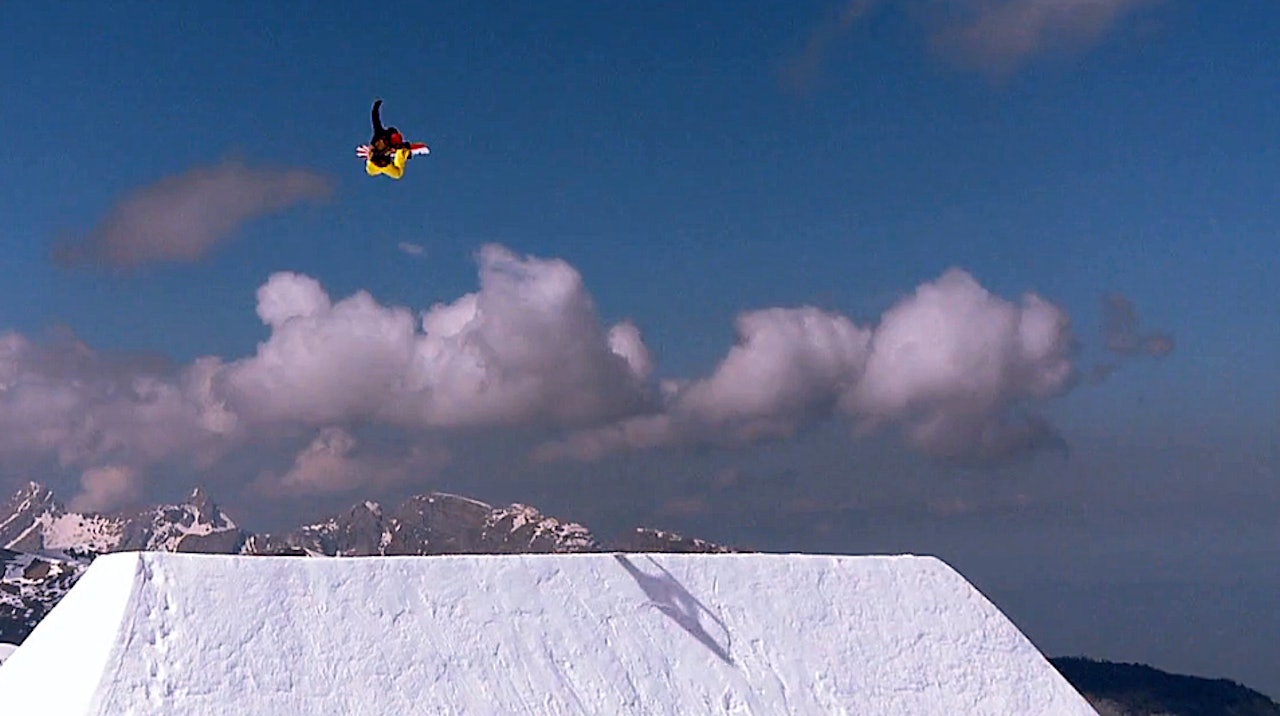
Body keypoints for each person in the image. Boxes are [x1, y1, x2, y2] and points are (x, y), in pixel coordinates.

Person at [365, 99, 414, 179]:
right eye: (394, 144)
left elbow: (403, 148)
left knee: (398, 174)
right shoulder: (379, 133)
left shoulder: (396, 145)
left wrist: (407, 151)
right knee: (370, 170)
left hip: (386, 166)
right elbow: (375, 119)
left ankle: (402, 153)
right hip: (374, 165)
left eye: (396, 145)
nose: (394, 146)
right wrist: (376, 106)